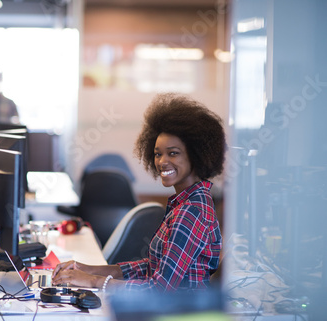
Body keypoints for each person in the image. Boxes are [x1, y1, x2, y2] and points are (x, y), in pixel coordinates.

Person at [52, 93, 226, 292]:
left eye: (173, 153)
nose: (162, 161)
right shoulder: (187, 202)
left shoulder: (191, 211)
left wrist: (93, 281)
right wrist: (87, 270)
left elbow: (159, 289)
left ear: (196, 154)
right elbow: (152, 267)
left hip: (177, 317)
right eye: (158, 154)